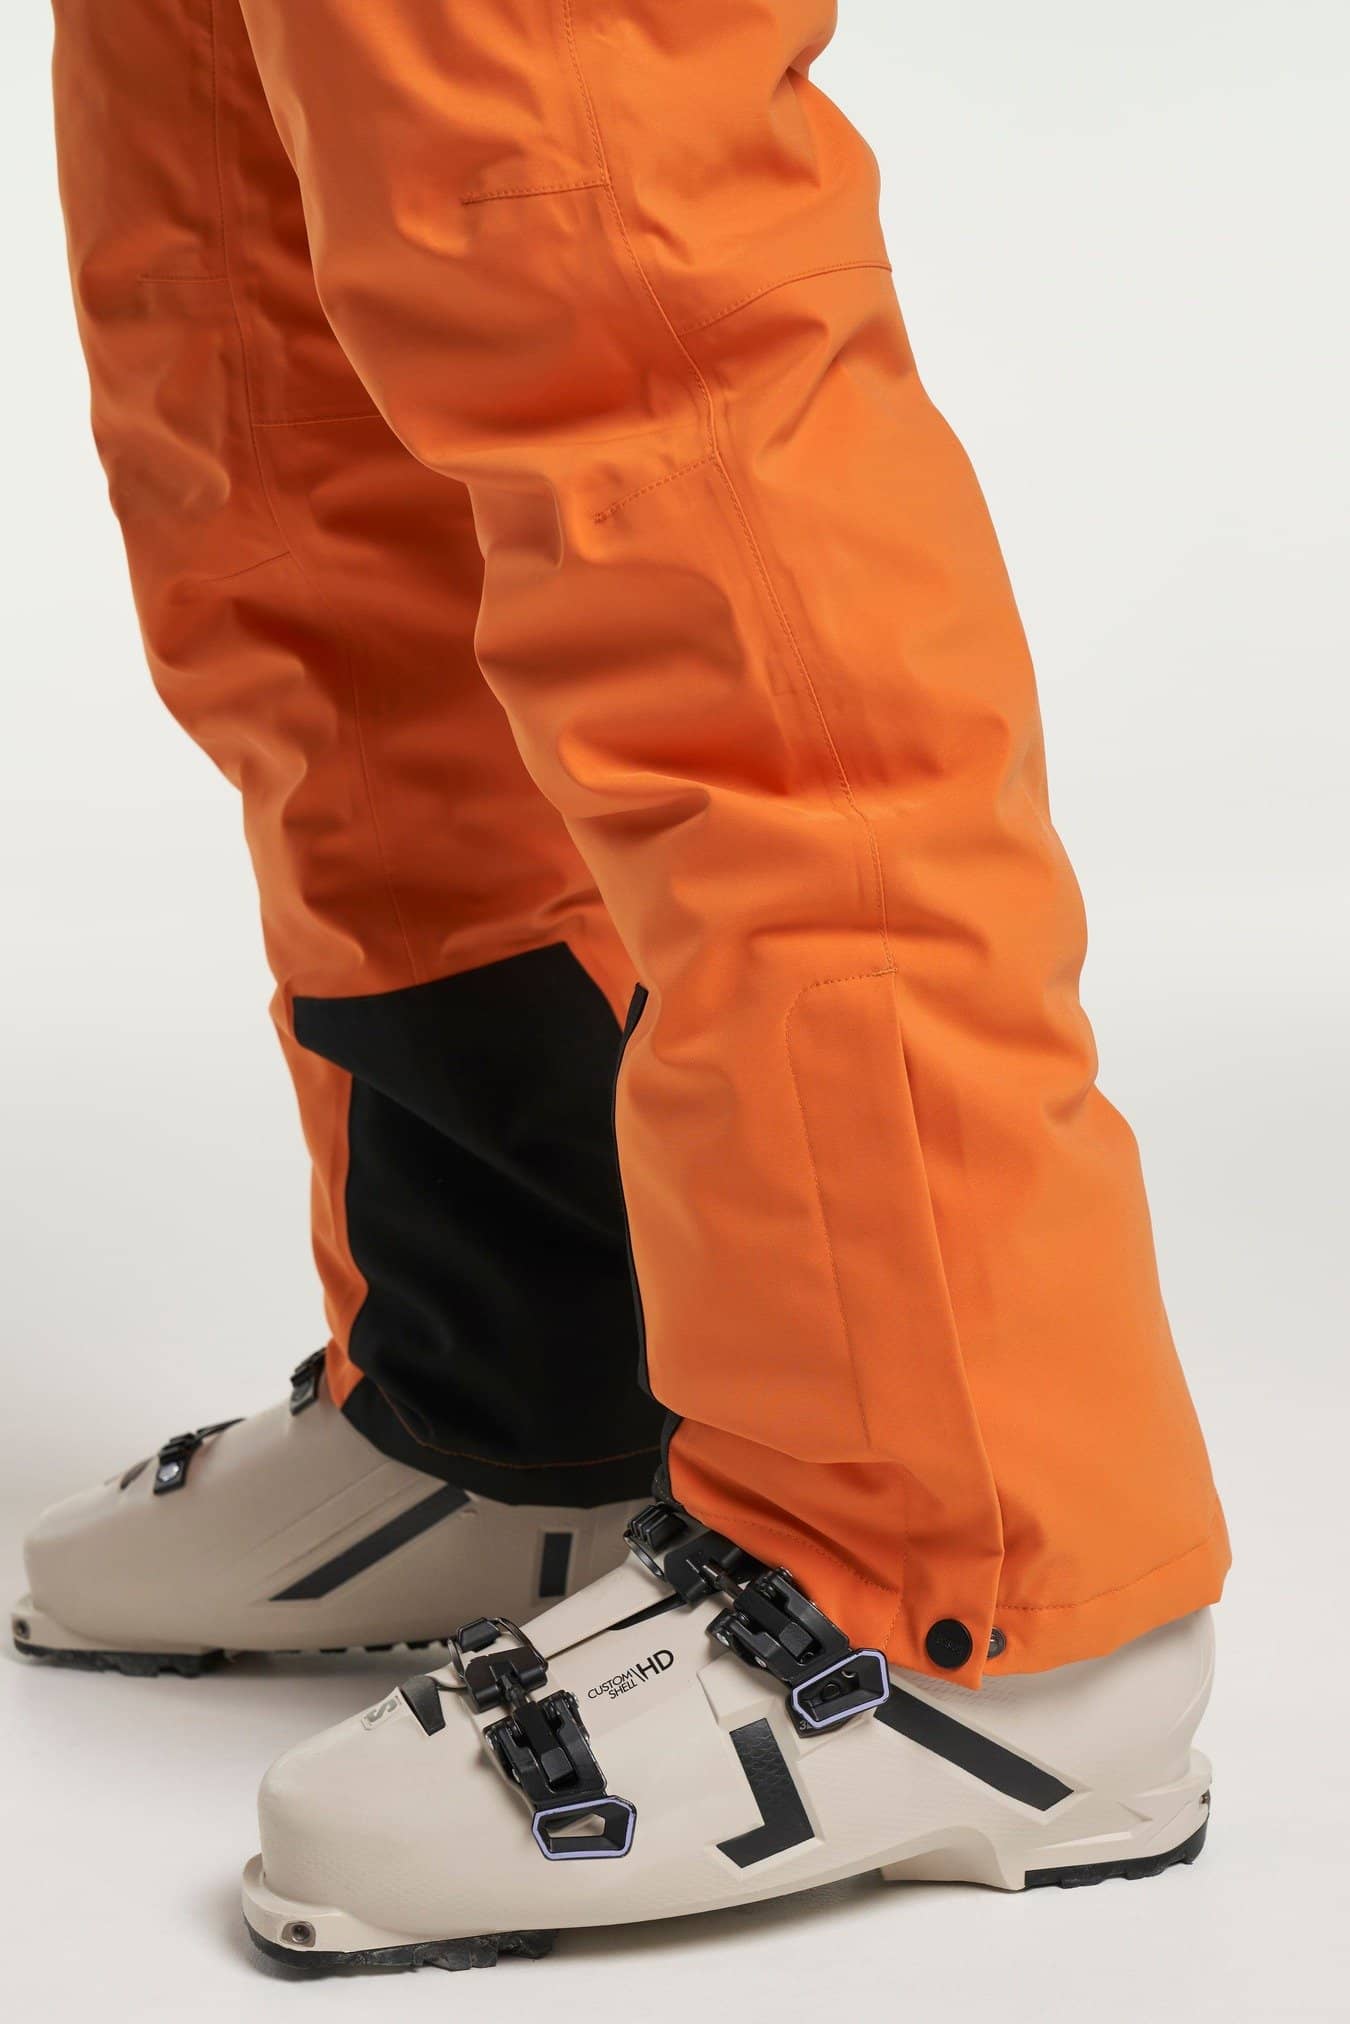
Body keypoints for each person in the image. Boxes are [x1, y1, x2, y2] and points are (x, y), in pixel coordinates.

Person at [16, 0, 1228, 1970]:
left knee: (618, 301)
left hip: (959, 1580)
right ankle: (523, 1380)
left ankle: (968, 1577)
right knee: (265, 366)